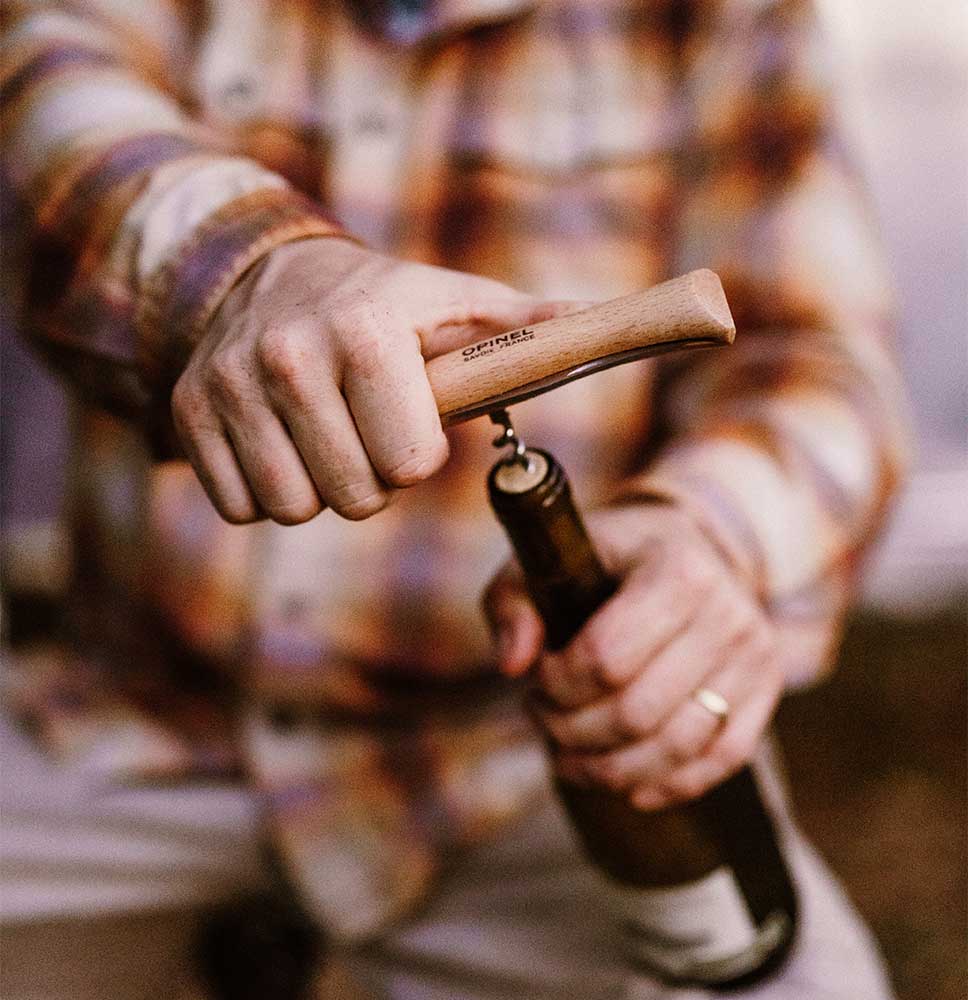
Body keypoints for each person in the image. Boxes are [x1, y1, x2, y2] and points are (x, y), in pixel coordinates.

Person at [0, 0, 908, 997]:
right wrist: (251, 270)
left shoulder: (719, 18)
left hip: (509, 767)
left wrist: (705, 534)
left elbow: (819, 366)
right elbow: (46, 93)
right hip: (130, 725)